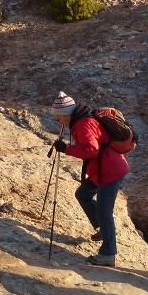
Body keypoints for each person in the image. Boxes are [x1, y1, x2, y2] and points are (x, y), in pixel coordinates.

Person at [51, 92, 129, 267]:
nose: (58, 121)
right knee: (83, 194)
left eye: (58, 117)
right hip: (103, 169)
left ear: (65, 114)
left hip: (110, 171)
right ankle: (102, 228)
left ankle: (108, 254)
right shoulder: (81, 120)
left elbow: (91, 150)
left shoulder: (82, 124)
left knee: (104, 212)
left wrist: (66, 149)